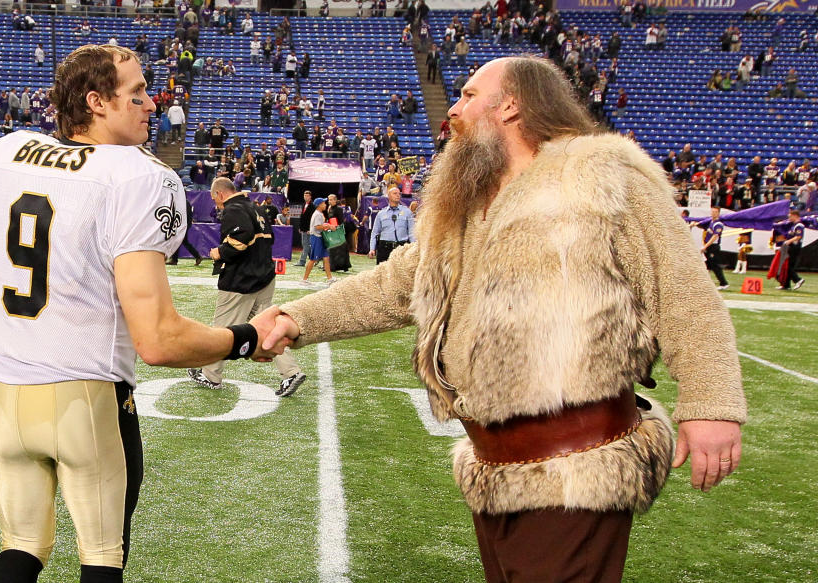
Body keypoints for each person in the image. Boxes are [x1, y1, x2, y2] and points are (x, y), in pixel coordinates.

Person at [258, 56, 745, 583]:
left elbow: (682, 291)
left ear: (511, 104)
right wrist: (298, 318)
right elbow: (399, 283)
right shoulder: (468, 199)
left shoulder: (603, 175)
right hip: (493, 467)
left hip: (580, 465)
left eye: (468, 96)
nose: (455, 112)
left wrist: (711, 404)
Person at [0, 45, 286, 583]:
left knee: (21, 550)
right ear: (96, 102)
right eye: (136, 93)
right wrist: (244, 337)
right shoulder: (137, 177)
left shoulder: (4, 154)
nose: (152, 104)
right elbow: (159, 340)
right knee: (101, 559)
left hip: (3, 399)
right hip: (87, 404)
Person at [189, 178, 306, 396]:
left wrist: (219, 253)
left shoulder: (233, 210)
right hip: (264, 277)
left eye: (215, 198)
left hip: (241, 281)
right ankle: (291, 372)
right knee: (269, 329)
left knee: (222, 329)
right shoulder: (257, 207)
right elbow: (268, 239)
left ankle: (211, 375)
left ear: (220, 194)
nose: (215, 204)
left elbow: (239, 239)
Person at [368, 187, 414, 264]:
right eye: (395, 193)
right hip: (384, 249)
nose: (398, 195)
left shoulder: (407, 212)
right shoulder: (381, 213)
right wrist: (372, 249)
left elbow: (412, 232)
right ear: (388, 196)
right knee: (382, 274)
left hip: (401, 248)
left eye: (399, 193)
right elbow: (375, 232)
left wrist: (413, 247)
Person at [301, 197, 335, 286]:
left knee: (326, 258)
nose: (325, 204)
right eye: (324, 203)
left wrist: (326, 225)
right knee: (313, 259)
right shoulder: (317, 214)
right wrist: (329, 226)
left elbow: (320, 225)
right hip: (316, 238)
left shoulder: (319, 213)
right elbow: (317, 227)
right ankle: (304, 279)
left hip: (319, 238)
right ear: (319, 205)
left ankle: (330, 278)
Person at [699, 207, 730, 290]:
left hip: (713, 247)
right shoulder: (710, 222)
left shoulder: (718, 224)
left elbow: (715, 236)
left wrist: (705, 246)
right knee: (708, 265)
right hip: (708, 246)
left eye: (715, 212)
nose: (713, 213)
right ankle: (705, 283)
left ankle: (723, 283)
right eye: (712, 211)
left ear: (718, 213)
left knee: (715, 265)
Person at [781, 210, 805, 290]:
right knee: (786, 265)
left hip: (794, 247)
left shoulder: (799, 225)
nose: (789, 218)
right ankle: (786, 285)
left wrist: (788, 241)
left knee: (789, 266)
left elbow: (798, 236)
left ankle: (798, 279)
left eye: (790, 216)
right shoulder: (792, 225)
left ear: (795, 215)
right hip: (790, 247)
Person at [294, 190, 314, 267]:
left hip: (308, 229)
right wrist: (300, 227)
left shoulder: (312, 206)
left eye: (307, 195)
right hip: (304, 228)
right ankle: (315, 258)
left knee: (305, 245)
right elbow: (302, 217)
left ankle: (302, 261)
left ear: (310, 197)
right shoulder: (304, 205)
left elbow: (312, 219)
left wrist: (310, 229)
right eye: (304, 195)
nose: (305, 197)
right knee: (306, 245)